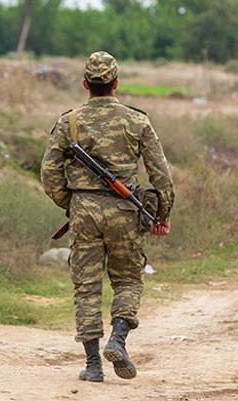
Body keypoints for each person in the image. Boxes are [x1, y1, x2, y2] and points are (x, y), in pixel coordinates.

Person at [40, 51, 174, 382]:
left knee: (86, 287)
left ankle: (93, 366)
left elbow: (49, 173)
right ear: (116, 84)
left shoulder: (69, 122)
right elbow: (162, 177)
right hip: (126, 212)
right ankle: (117, 340)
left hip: (84, 212)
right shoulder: (137, 121)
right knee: (128, 280)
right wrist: (162, 214)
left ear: (85, 84)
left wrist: (70, 203)